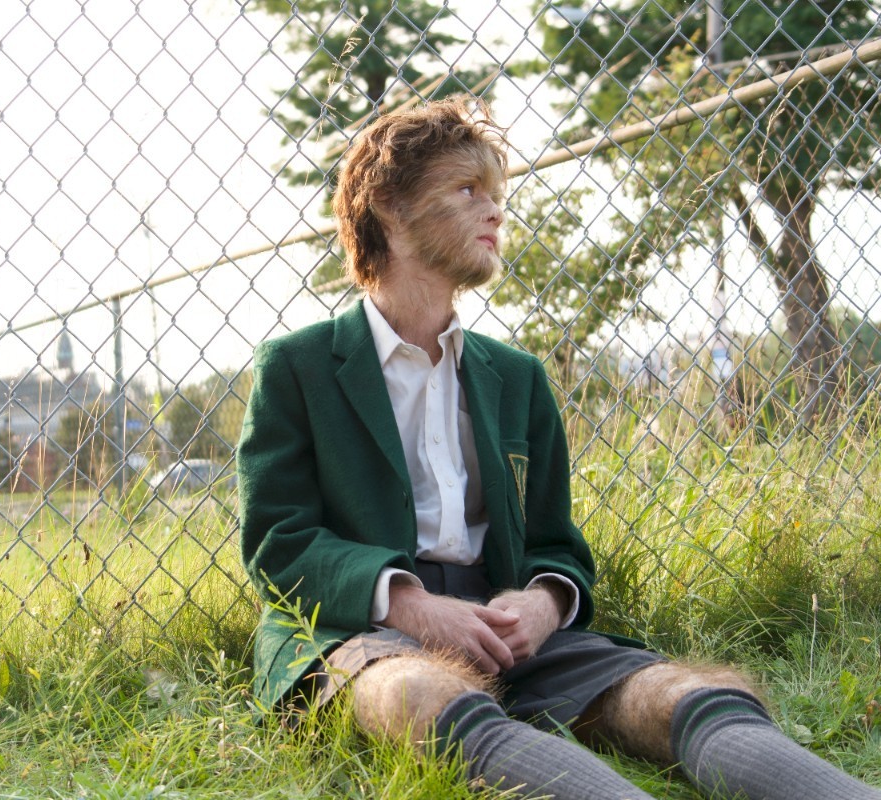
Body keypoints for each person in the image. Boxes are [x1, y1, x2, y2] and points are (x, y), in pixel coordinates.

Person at [236, 97, 880, 799]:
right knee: (419, 695)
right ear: (390, 207)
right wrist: (412, 606)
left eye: (496, 193)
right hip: (359, 628)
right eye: (467, 190)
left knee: (682, 694)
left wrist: (542, 605)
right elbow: (278, 541)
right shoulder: (297, 367)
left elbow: (555, 544)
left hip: (503, 626)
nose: (495, 211)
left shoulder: (516, 378)